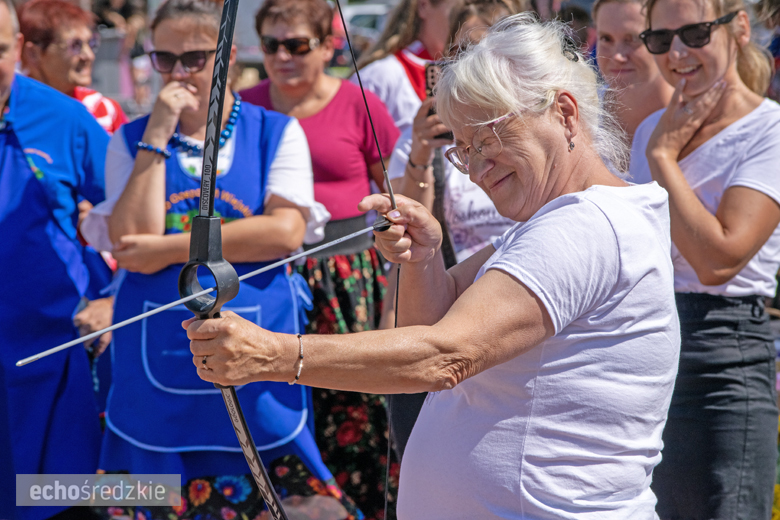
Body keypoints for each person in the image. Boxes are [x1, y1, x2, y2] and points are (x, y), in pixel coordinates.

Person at [186, 14, 682, 518]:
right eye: (463, 150)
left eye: (487, 139)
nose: (478, 167)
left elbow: (445, 356)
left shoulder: (585, 226)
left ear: (565, 113)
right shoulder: (557, 222)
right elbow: (431, 327)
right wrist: (423, 261)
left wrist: (272, 355)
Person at [79, 0, 364, 518]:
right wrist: (158, 134)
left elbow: (284, 231)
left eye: (194, 57)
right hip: (155, 347)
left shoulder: (276, 131)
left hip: (252, 337)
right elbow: (128, 239)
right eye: (164, 59)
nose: (179, 72)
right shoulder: (129, 139)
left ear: (228, 57)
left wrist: (166, 249)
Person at [239, 0, 400, 516]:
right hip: (267, 275)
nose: (283, 57)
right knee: (277, 406)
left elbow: (395, 195)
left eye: (297, 45)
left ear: (329, 46)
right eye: (271, 45)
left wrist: (398, 284)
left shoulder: (361, 105)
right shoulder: (244, 106)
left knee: (354, 403)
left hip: (348, 276)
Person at [627, 0, 780, 516]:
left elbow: (720, 259)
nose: (676, 52)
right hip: (646, 347)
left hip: (724, 352)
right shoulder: (652, 130)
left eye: (694, 33)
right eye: (659, 39)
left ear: (739, 28)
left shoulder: (768, 130)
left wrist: (664, 160)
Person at [383, 0, 519, 460]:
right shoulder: (433, 135)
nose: (471, 68)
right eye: (459, 56)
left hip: (516, 310)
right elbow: (407, 232)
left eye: (484, 52)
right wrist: (423, 150)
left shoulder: (529, 133)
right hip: (447, 304)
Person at [0, 0, 111, 517]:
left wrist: (113, 299)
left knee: (65, 499)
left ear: (19, 49)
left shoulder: (65, 119)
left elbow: (135, 214)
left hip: (56, 355)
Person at [19, 0, 127, 135]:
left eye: (91, 42)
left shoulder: (104, 112)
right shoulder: (11, 114)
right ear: (33, 53)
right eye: (75, 46)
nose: (89, 56)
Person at [354, 0, 461, 134]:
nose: (465, 19)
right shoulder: (379, 75)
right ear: (424, 6)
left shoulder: (469, 71)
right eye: (457, 10)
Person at [592, 0, 673, 141]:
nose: (618, 56)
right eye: (606, 39)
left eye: (633, 39)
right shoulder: (581, 114)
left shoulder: (697, 117)